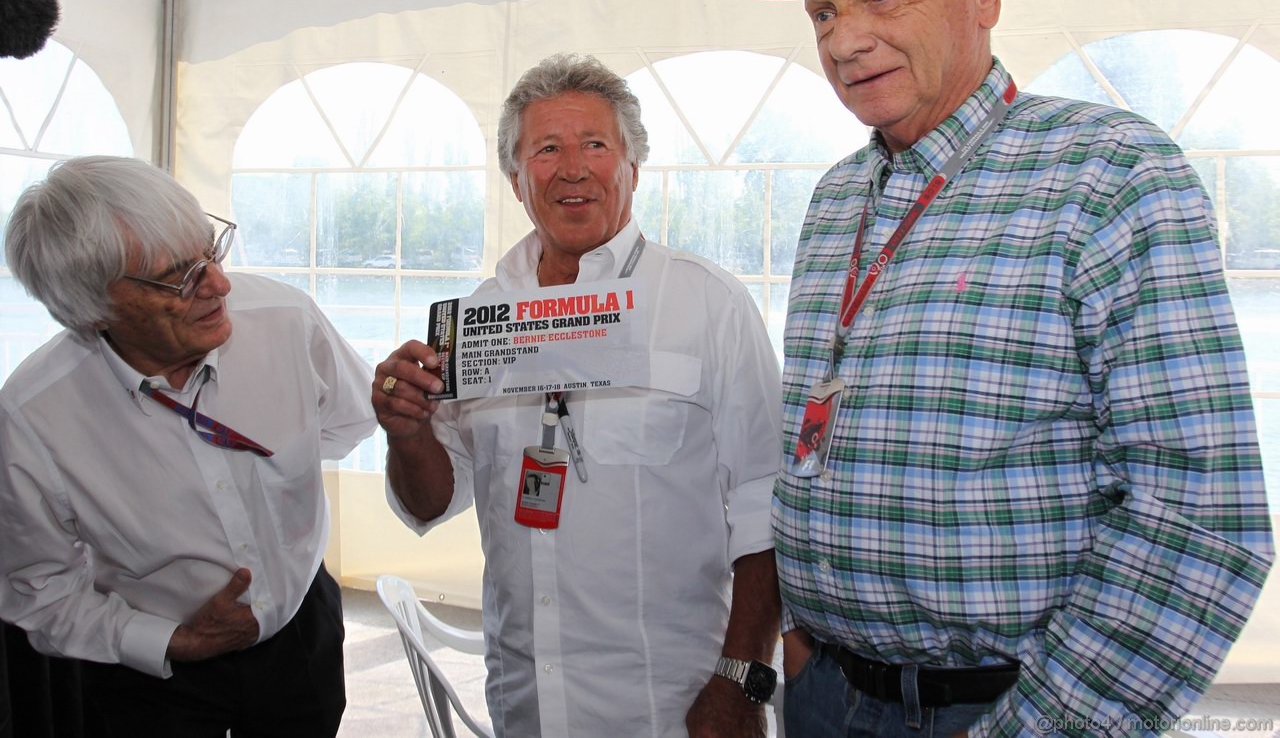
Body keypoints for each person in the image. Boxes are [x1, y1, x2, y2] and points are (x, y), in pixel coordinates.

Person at [753, 0, 1275, 735]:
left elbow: (1197, 517)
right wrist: (804, 635)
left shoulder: (1109, 173)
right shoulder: (836, 195)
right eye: (822, 14)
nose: (845, 41)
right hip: (829, 693)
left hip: (1007, 706)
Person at [376, 53, 783, 737]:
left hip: (674, 700)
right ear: (514, 177)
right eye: (546, 149)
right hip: (526, 696)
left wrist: (741, 682)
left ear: (632, 165)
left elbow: (766, 502)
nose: (573, 168)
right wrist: (406, 428)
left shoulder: (705, 304)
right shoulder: (478, 320)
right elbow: (432, 500)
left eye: (596, 144)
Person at [0, 156, 377, 736]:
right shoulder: (33, 416)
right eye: (179, 275)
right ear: (93, 306)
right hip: (152, 679)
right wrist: (171, 640)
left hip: (302, 632)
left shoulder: (285, 321)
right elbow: (37, 590)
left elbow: (346, 426)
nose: (220, 284)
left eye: (212, 251)